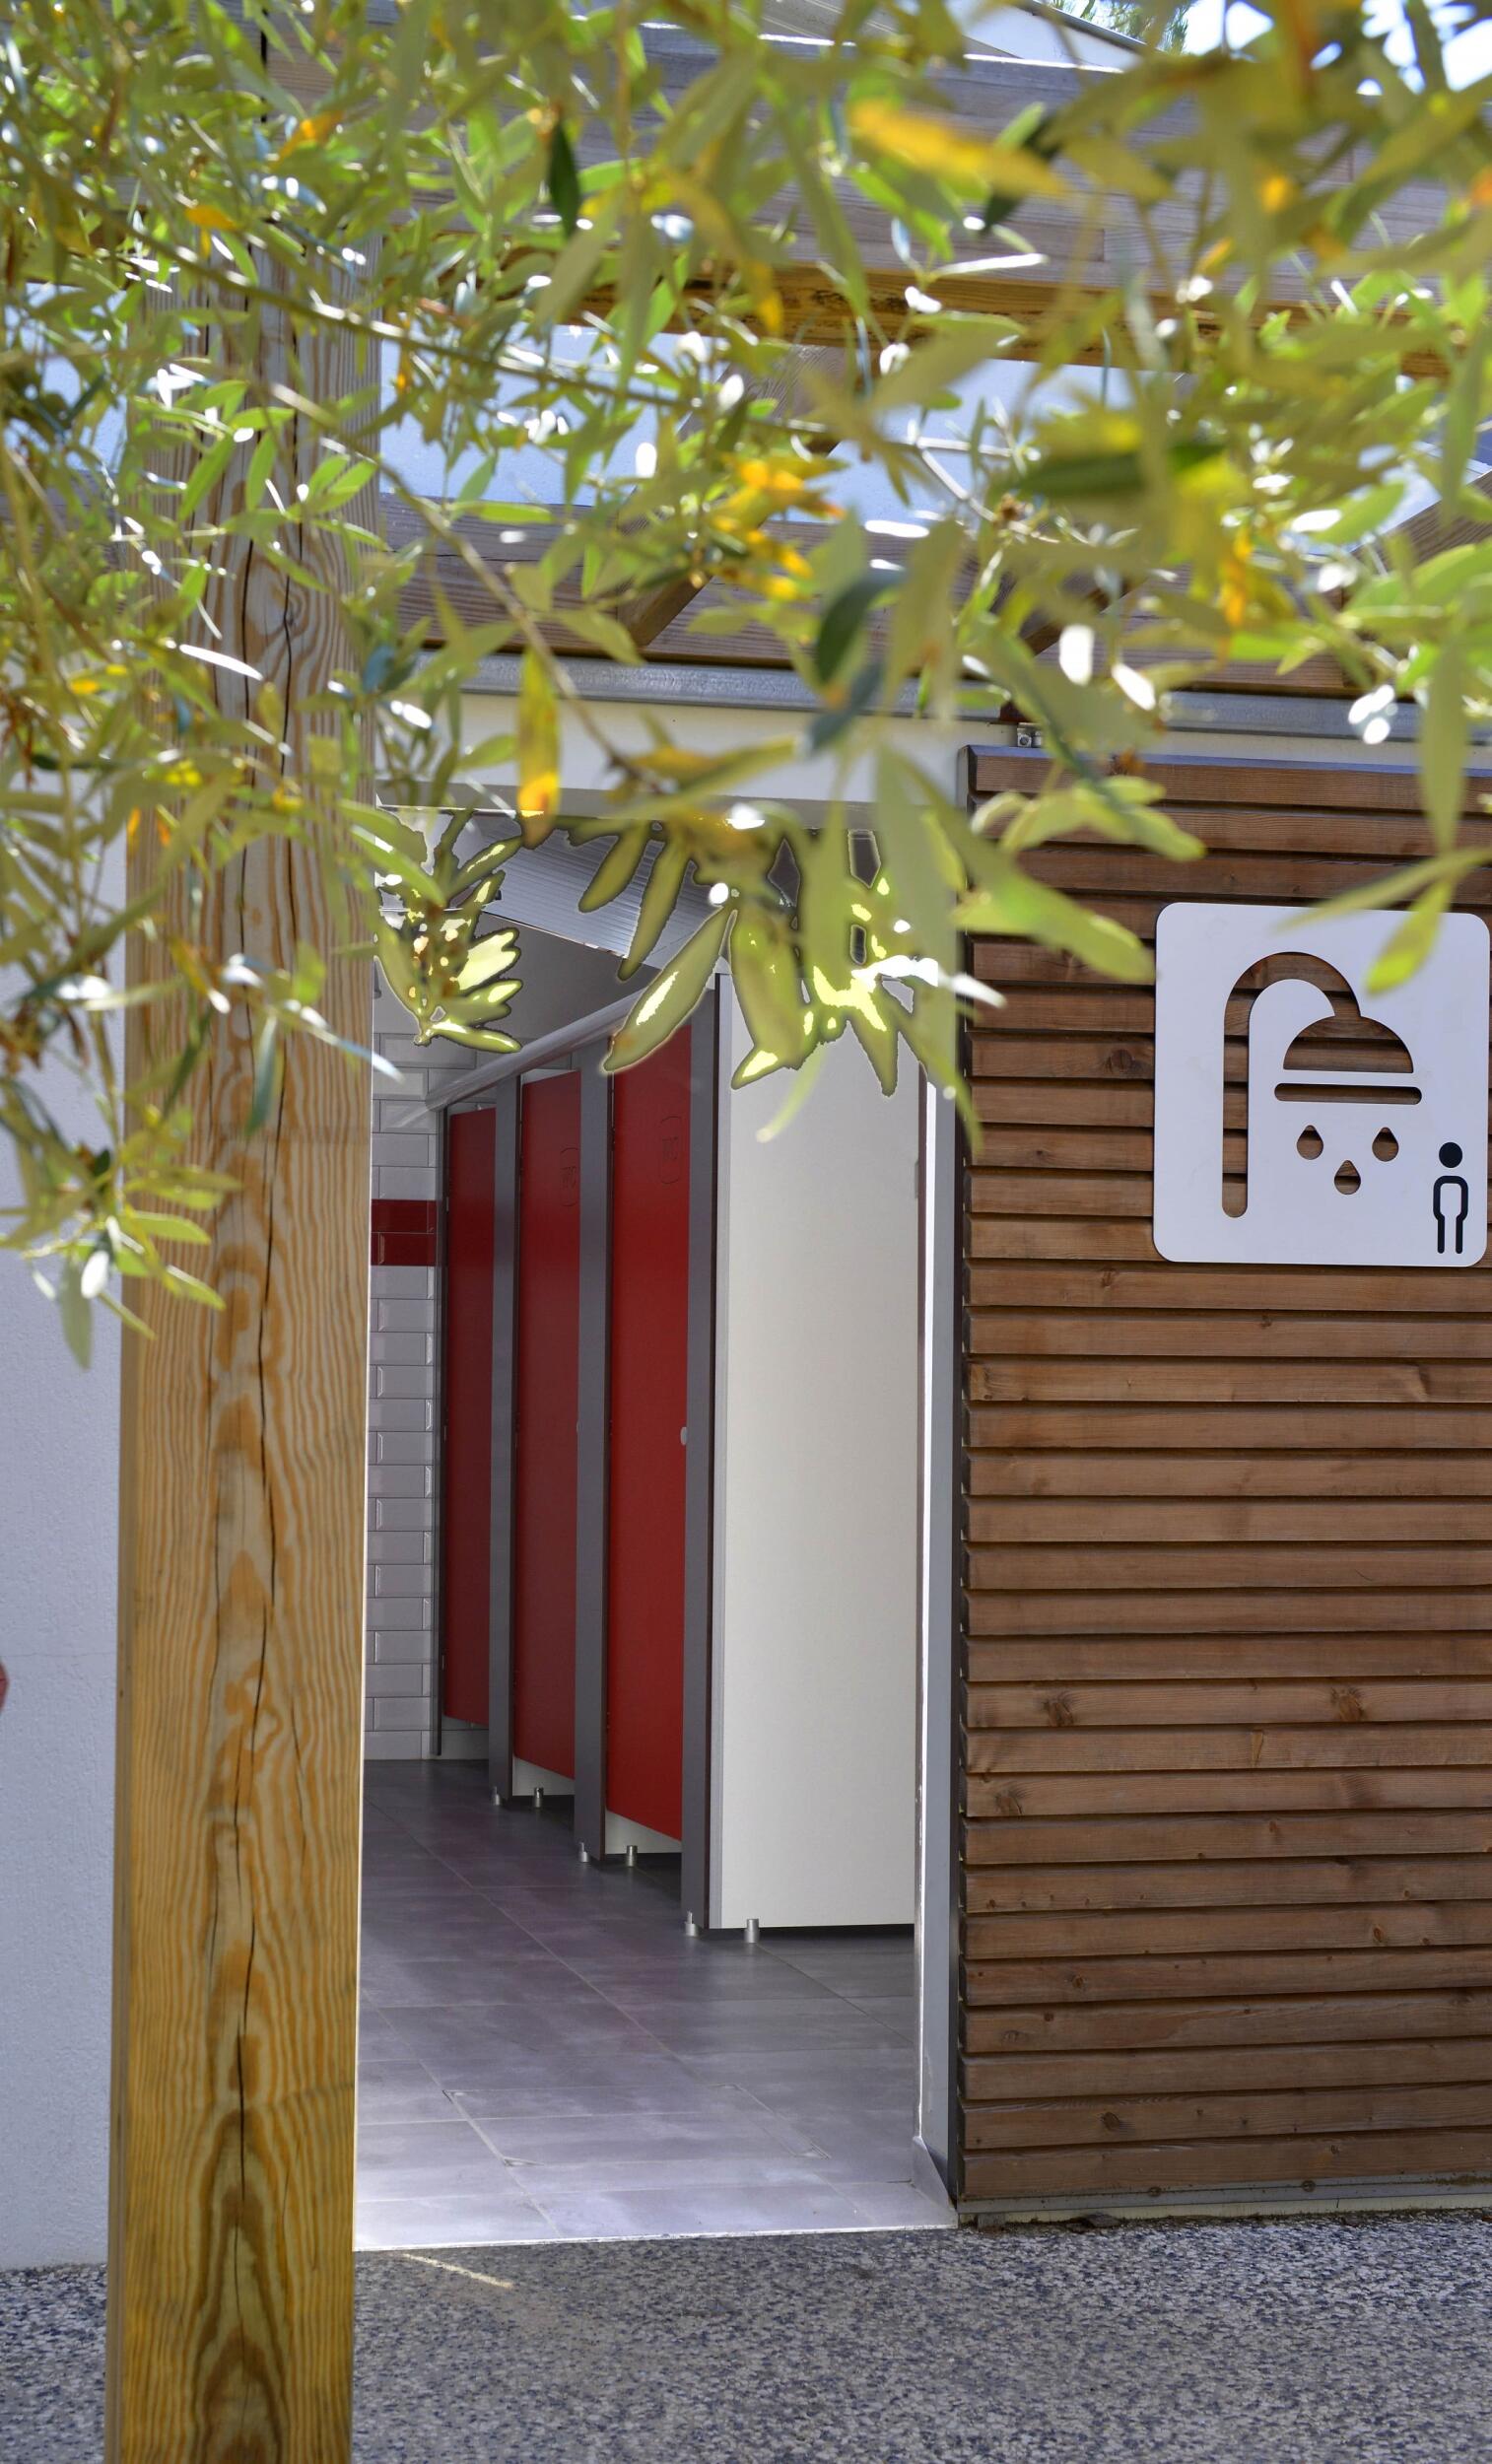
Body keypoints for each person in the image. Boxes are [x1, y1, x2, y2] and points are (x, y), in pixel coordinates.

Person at [1433, 1141, 1469, 1258]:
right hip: (1446, 1214)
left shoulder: (1448, 1181)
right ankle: (1445, 1250)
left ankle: (1455, 1250)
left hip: (1453, 1214)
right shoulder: (1444, 1181)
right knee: (1445, 1223)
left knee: (1454, 1224)